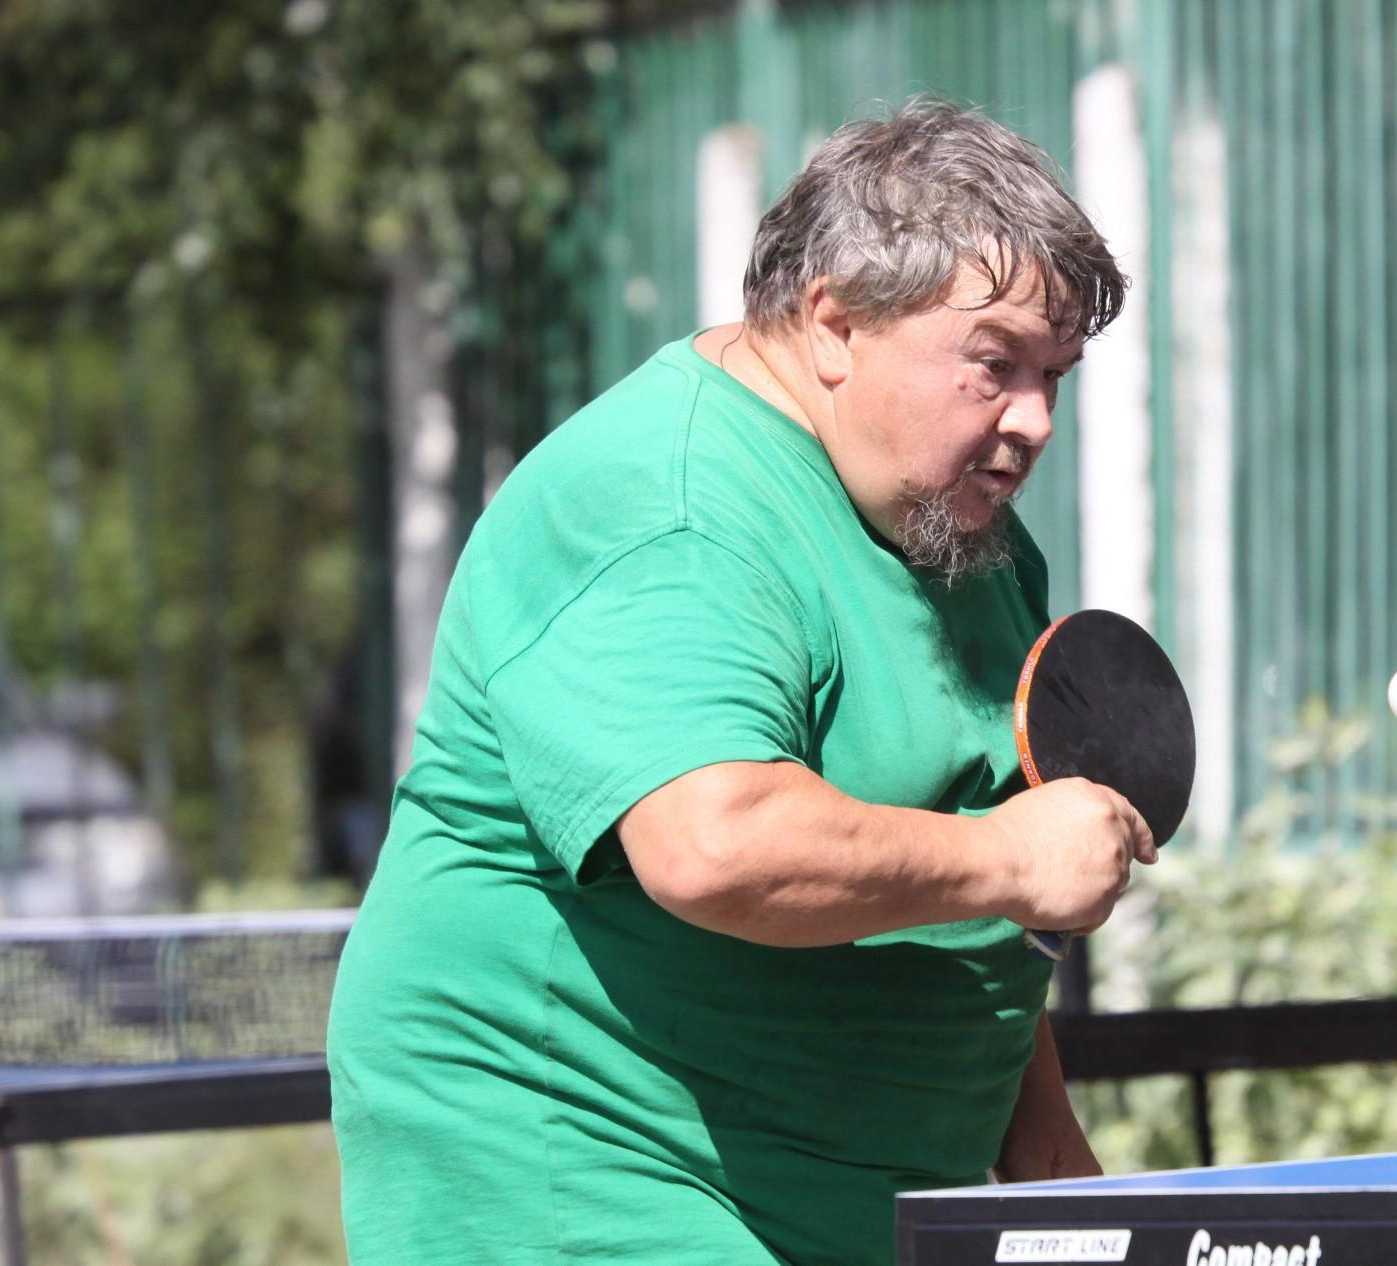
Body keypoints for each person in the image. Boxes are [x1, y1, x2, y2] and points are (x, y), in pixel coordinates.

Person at [328, 97, 1153, 1266]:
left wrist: (1053, 1174)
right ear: (832, 323)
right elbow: (718, 845)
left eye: (1055, 375)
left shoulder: (964, 531)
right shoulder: (667, 512)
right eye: (994, 366)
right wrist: (1017, 858)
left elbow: (965, 891)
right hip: (597, 1171)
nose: (1035, 421)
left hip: (844, 1188)